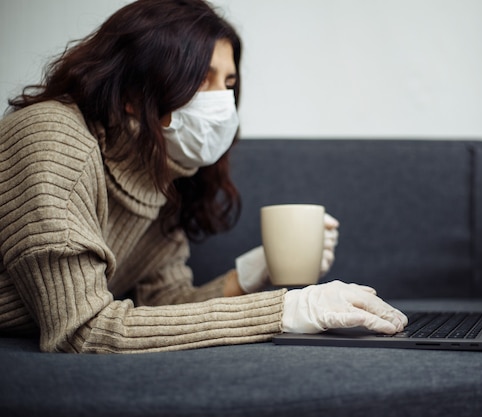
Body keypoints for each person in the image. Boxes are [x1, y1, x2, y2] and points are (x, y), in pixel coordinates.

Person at [0, 0, 407, 354]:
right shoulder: (52, 138)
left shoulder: (166, 171)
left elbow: (164, 304)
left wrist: (257, 271)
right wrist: (288, 311)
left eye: (228, 84)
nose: (222, 103)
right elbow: (83, 330)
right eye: (201, 79)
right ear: (130, 93)